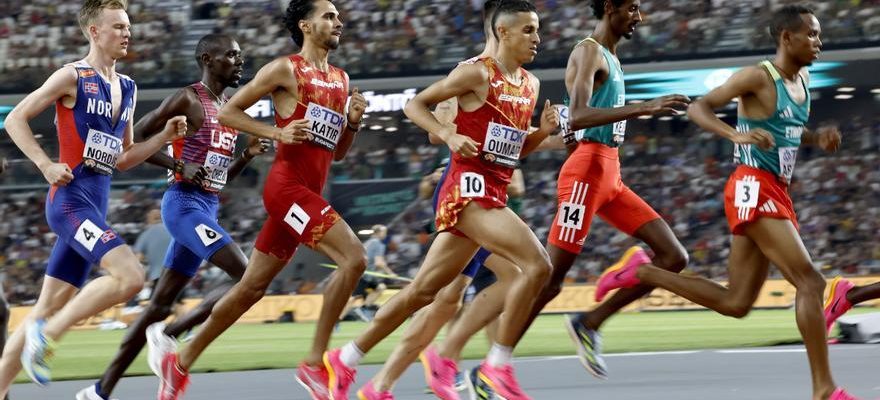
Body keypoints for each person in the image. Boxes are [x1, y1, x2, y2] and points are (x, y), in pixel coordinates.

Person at [595, 5, 856, 399]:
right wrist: (733, 135)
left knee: (736, 303)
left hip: (775, 189)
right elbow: (700, 107)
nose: (819, 42)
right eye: (813, 34)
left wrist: (815, 138)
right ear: (787, 38)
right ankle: (824, 389)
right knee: (811, 281)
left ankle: (643, 273)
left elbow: (786, 130)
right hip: (752, 184)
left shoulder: (803, 79)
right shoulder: (757, 76)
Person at [328, 2, 559, 399]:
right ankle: (497, 367)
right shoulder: (474, 73)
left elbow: (513, 152)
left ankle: (346, 358)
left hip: (493, 190)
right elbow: (413, 104)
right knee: (536, 266)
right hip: (467, 193)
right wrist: (448, 134)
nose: (537, 38)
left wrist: (542, 133)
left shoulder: (530, 85)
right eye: (528, 30)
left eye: (537, 30)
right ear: (502, 32)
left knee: (422, 292)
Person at [153, 1, 368, 399]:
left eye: (339, 16)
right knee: (355, 258)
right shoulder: (284, 69)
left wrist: (351, 123)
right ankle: (315, 363)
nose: (339, 21)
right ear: (305, 25)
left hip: (308, 192)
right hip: (286, 190)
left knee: (251, 288)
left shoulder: (341, 78)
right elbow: (229, 113)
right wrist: (277, 133)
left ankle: (179, 363)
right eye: (329, 15)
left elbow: (335, 152)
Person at [0, 0, 187, 396]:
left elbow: (122, 159)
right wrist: (45, 164)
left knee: (43, 307)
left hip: (93, 206)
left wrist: (163, 139)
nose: (127, 33)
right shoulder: (72, 76)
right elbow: (15, 118)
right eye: (118, 26)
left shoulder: (129, 88)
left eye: (128, 26)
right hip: (68, 203)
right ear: (94, 32)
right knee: (131, 276)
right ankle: (47, 336)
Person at [76, 33, 269, 400]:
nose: (240, 61)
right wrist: (177, 161)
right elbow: (133, 143)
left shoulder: (227, 108)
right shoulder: (187, 98)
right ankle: (168, 334)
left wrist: (246, 156)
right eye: (231, 55)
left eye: (240, 55)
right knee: (246, 274)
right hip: (182, 205)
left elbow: (216, 179)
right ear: (208, 60)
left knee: (158, 306)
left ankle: (99, 391)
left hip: (206, 206)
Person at [507, 0, 691, 381]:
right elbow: (579, 115)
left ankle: (589, 322)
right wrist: (646, 107)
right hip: (587, 176)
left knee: (673, 257)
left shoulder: (612, 58)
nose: (639, 17)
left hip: (610, 174)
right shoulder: (588, 51)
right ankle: (495, 366)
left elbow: (574, 127)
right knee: (549, 280)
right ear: (610, 7)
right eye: (633, 8)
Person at [343, 225, 393, 322]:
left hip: (365, 275)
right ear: (378, 233)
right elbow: (379, 262)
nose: (385, 234)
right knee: (354, 298)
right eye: (384, 232)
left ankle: (363, 308)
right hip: (364, 276)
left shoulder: (368, 242)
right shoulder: (378, 244)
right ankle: (337, 320)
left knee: (380, 287)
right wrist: (390, 273)